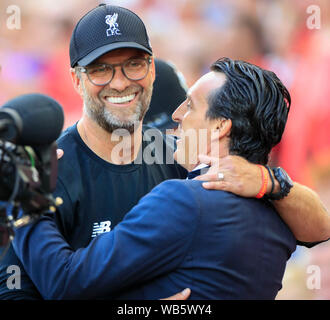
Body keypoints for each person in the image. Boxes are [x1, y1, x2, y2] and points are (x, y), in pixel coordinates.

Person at [0, 3, 329, 300]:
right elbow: (15, 290)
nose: (119, 82)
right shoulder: (44, 171)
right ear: (76, 79)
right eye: (101, 69)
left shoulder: (187, 161)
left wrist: (266, 180)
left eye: (134, 64)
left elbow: (320, 227)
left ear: (152, 70)